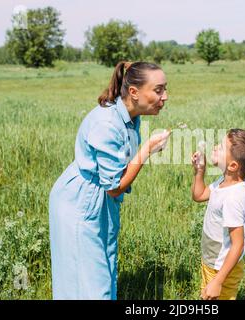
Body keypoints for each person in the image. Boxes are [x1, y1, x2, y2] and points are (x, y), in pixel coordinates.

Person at [49, 61, 170, 300]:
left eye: (165, 89)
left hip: (98, 197)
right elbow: (114, 187)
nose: (165, 97)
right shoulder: (107, 123)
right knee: (90, 284)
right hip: (80, 203)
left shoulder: (131, 117)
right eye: (158, 90)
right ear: (133, 92)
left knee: (103, 268)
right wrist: (146, 150)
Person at [191, 129, 245, 300]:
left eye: (222, 147)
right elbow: (199, 195)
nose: (216, 147)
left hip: (221, 267)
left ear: (233, 166)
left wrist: (218, 281)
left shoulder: (233, 198)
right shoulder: (225, 181)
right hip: (213, 260)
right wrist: (199, 171)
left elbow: (237, 244)